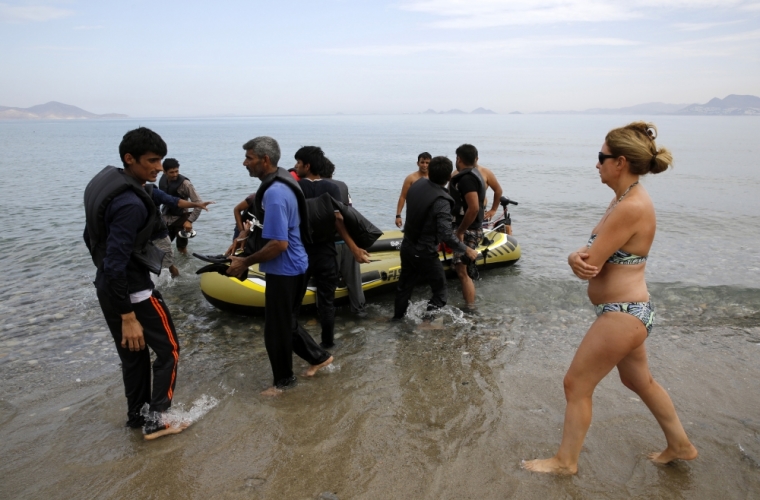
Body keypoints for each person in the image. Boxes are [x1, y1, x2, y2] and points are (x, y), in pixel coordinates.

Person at [523, 122, 698, 475]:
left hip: (623, 314)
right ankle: (681, 445)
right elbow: (594, 253)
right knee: (638, 381)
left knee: (576, 383)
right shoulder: (623, 198)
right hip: (630, 310)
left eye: (601, 157)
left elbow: (589, 263)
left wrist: (574, 259)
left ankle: (565, 462)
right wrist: (579, 256)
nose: (596, 163)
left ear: (619, 162)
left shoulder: (630, 206)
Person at [83, 127, 188, 440]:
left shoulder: (111, 181)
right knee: (169, 351)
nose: (157, 167)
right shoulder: (129, 203)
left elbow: (92, 239)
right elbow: (117, 262)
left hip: (107, 286)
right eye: (151, 161)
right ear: (130, 159)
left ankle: (137, 418)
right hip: (134, 293)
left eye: (159, 160)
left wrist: (190, 207)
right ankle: (158, 420)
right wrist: (128, 315)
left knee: (134, 356)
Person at [226, 136, 334, 396]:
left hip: (285, 268)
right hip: (295, 264)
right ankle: (319, 357)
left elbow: (278, 244)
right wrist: (241, 240)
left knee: (276, 329)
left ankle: (284, 382)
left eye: (249, 158)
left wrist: (245, 263)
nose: (245, 163)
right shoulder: (278, 184)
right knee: (287, 322)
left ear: (265, 160)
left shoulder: (274, 193)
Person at [393, 156, 479, 319]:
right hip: (425, 252)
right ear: (448, 178)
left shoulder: (417, 184)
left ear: (429, 171)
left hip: (408, 245)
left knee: (404, 287)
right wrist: (466, 249)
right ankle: (427, 322)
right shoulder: (442, 200)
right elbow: (446, 234)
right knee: (440, 292)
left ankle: (397, 319)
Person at [323, 158, 367, 317]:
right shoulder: (342, 186)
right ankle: (360, 311)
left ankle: (326, 315)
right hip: (348, 241)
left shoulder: (316, 188)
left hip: (329, 243)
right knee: (355, 281)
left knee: (327, 283)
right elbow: (349, 211)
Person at [449, 144, 486, 308]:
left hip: (468, 230)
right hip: (471, 227)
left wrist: (460, 231)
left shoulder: (466, 179)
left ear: (459, 159)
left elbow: (474, 208)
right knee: (463, 270)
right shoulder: (476, 173)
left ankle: (470, 307)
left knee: (462, 272)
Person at [158, 158, 205, 255]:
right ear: (164, 171)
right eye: (171, 172)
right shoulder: (162, 181)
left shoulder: (185, 184)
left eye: (177, 171)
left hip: (181, 220)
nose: (175, 175)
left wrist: (189, 221)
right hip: (166, 218)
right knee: (161, 247)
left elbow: (199, 203)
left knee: (181, 249)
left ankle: (185, 268)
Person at [395, 152, 431, 228]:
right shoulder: (411, 178)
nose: (425, 165)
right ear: (418, 163)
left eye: (427, 163)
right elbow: (403, 197)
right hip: (413, 214)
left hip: (429, 214)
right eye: (422, 162)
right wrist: (398, 215)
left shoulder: (434, 178)